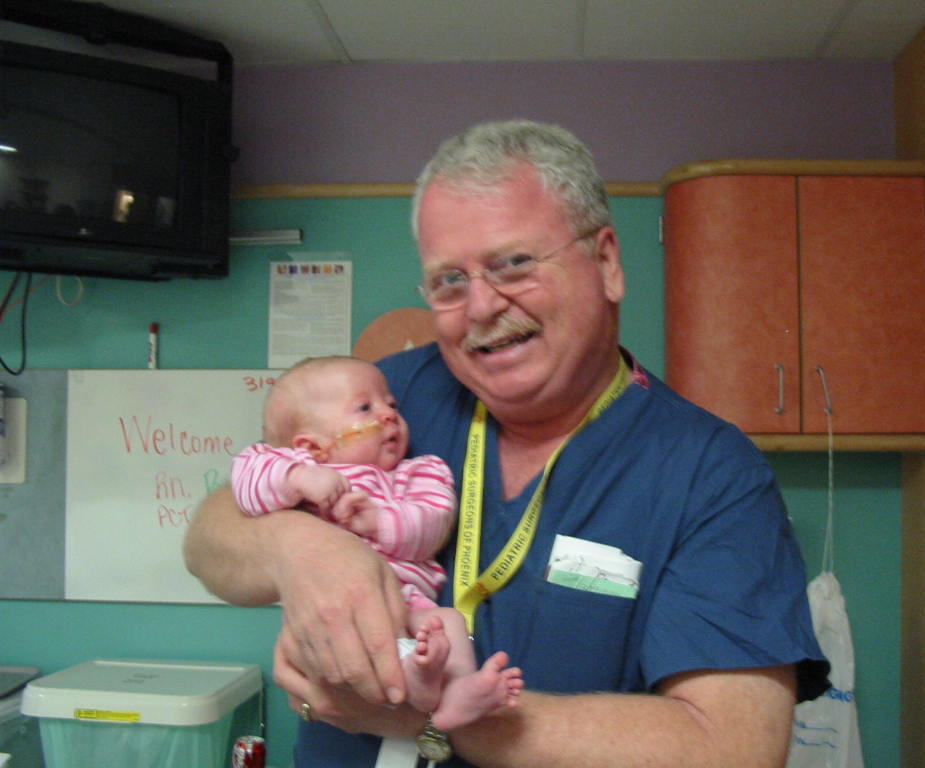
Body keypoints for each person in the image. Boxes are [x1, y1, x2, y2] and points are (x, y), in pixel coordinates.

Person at [185, 119, 830, 768]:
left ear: (606, 262)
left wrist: (446, 719)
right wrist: (300, 550)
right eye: (449, 281)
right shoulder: (392, 399)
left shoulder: (709, 474)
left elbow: (736, 748)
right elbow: (210, 536)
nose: (482, 305)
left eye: (514, 264)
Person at [230, 355, 524, 731]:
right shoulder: (295, 466)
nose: (388, 414)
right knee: (360, 643)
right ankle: (420, 681)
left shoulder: (420, 470)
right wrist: (300, 478)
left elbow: (433, 523)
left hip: (410, 601)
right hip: (336, 612)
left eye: (392, 404)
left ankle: (452, 693)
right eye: (365, 407)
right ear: (313, 446)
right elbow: (246, 482)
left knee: (446, 622)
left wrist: (378, 522)